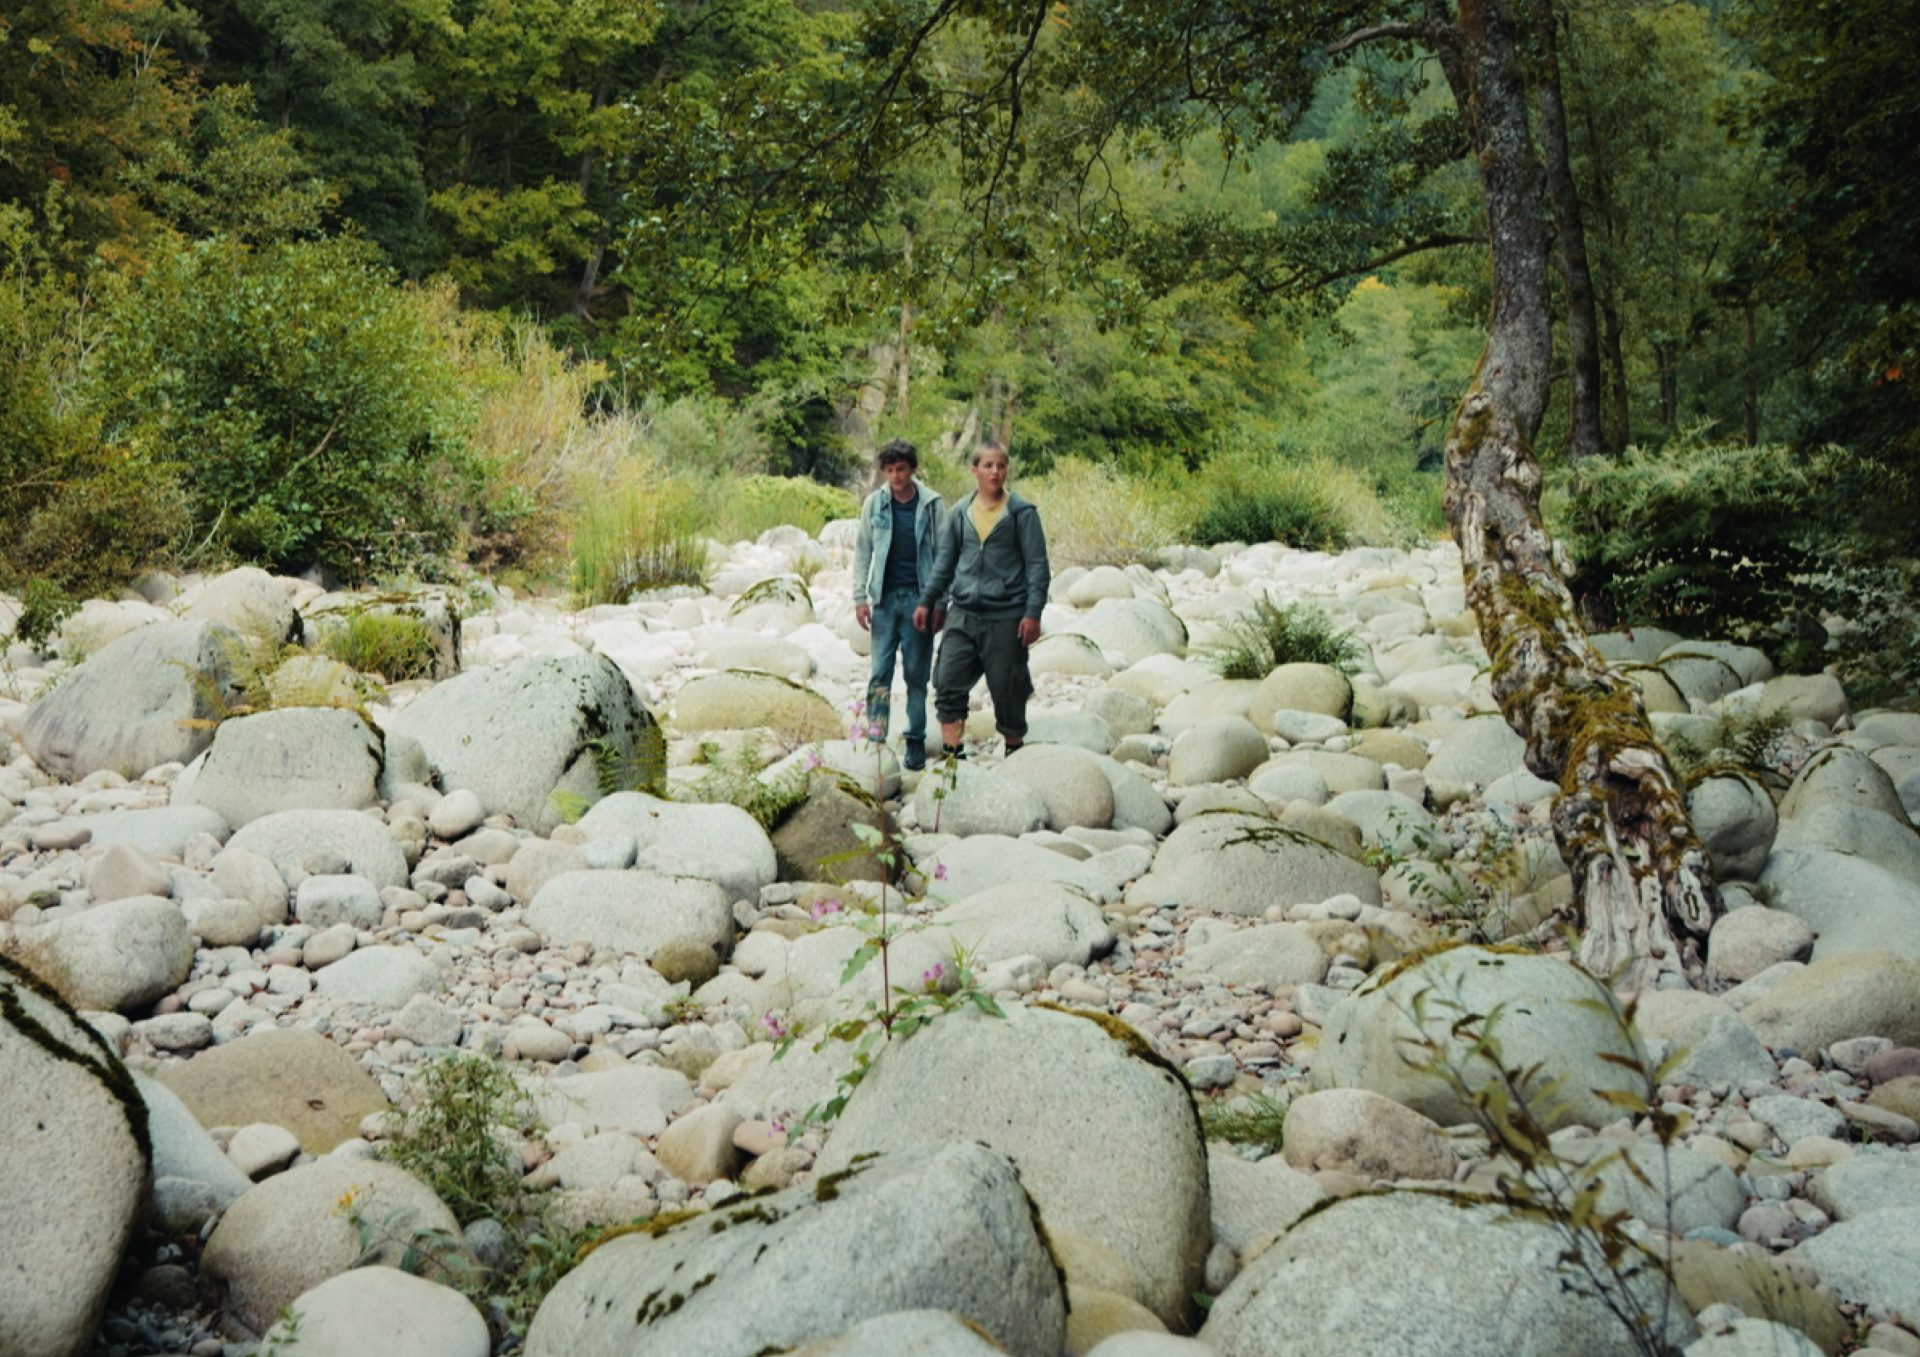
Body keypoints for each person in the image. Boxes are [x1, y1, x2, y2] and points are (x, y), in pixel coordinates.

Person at [914, 441, 1049, 758]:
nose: (995, 471)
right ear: (974, 470)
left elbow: (1038, 567)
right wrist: (927, 601)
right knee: (947, 681)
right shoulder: (960, 513)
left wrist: (1032, 613)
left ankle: (1014, 753)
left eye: (1001, 465)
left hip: (1006, 616)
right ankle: (952, 758)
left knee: (1008, 688)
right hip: (962, 613)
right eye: (988, 465)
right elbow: (944, 564)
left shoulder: (1022, 513)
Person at [852, 438, 946, 770]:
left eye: (901, 469)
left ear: (912, 468)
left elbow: (944, 555)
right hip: (884, 600)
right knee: (880, 672)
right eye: (890, 470)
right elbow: (863, 551)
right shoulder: (874, 504)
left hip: (920, 600)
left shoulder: (932, 505)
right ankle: (877, 737)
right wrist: (859, 597)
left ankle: (915, 740)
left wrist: (940, 602)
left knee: (916, 675)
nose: (896, 476)